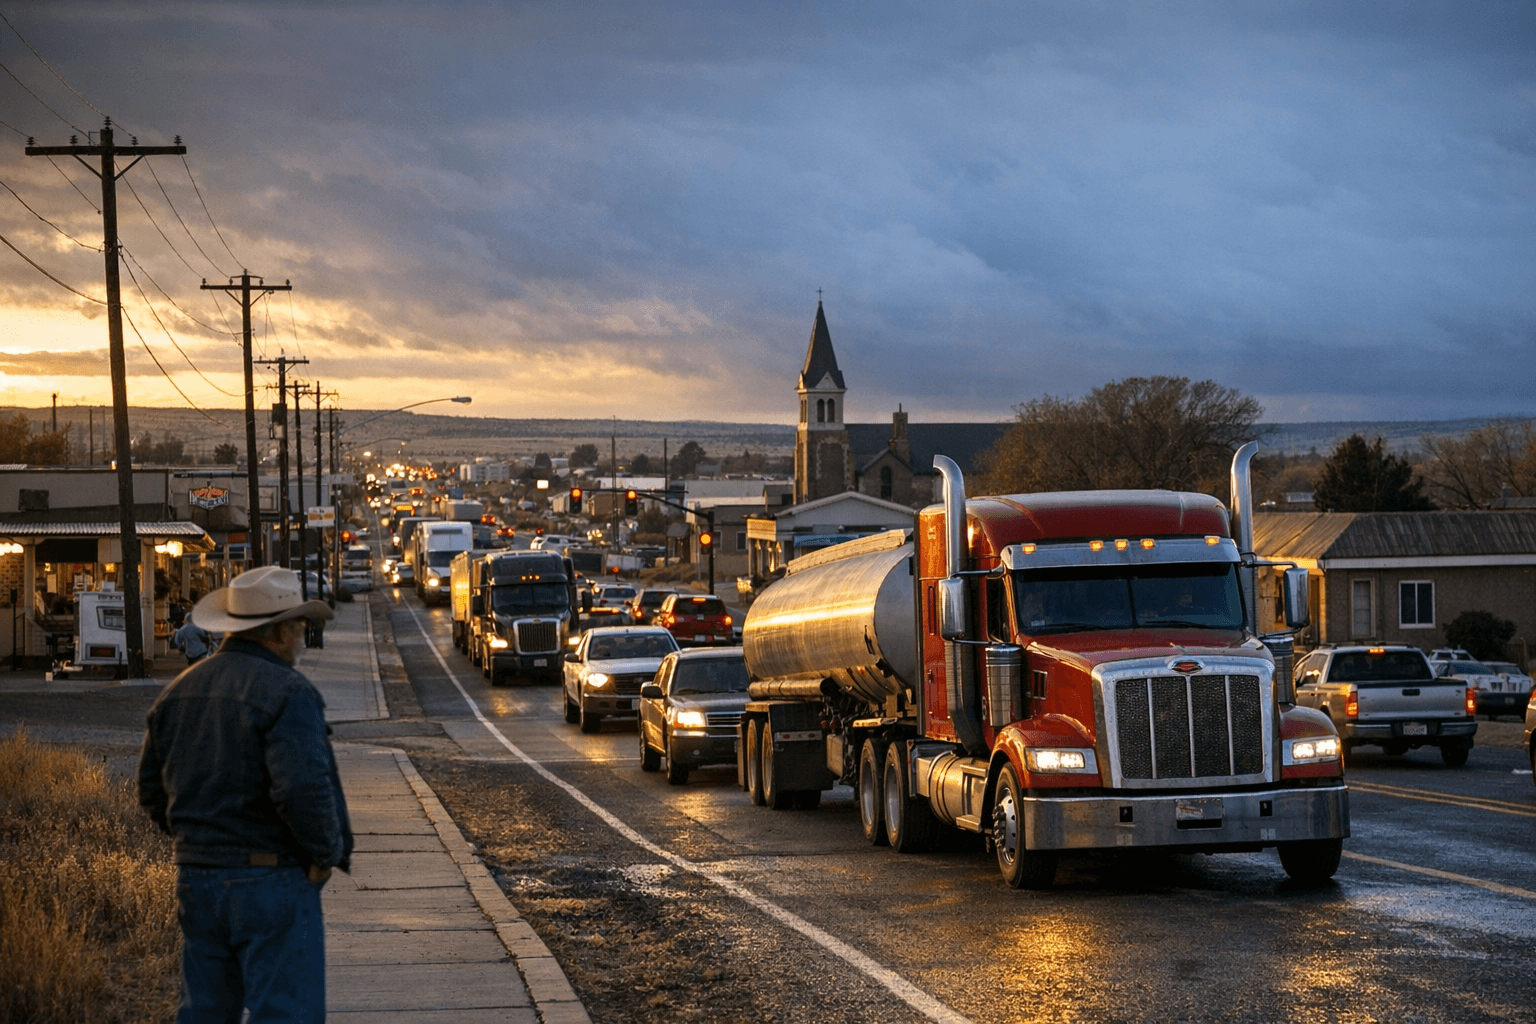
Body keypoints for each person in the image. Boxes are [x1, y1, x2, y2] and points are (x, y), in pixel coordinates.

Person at [138, 566, 351, 1024]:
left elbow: (152, 791)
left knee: (205, 1011)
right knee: (286, 1012)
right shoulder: (289, 693)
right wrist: (324, 853)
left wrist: (196, 840)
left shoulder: (177, 693)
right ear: (276, 633)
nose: (302, 637)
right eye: (299, 626)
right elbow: (301, 788)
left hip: (198, 878)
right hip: (271, 878)